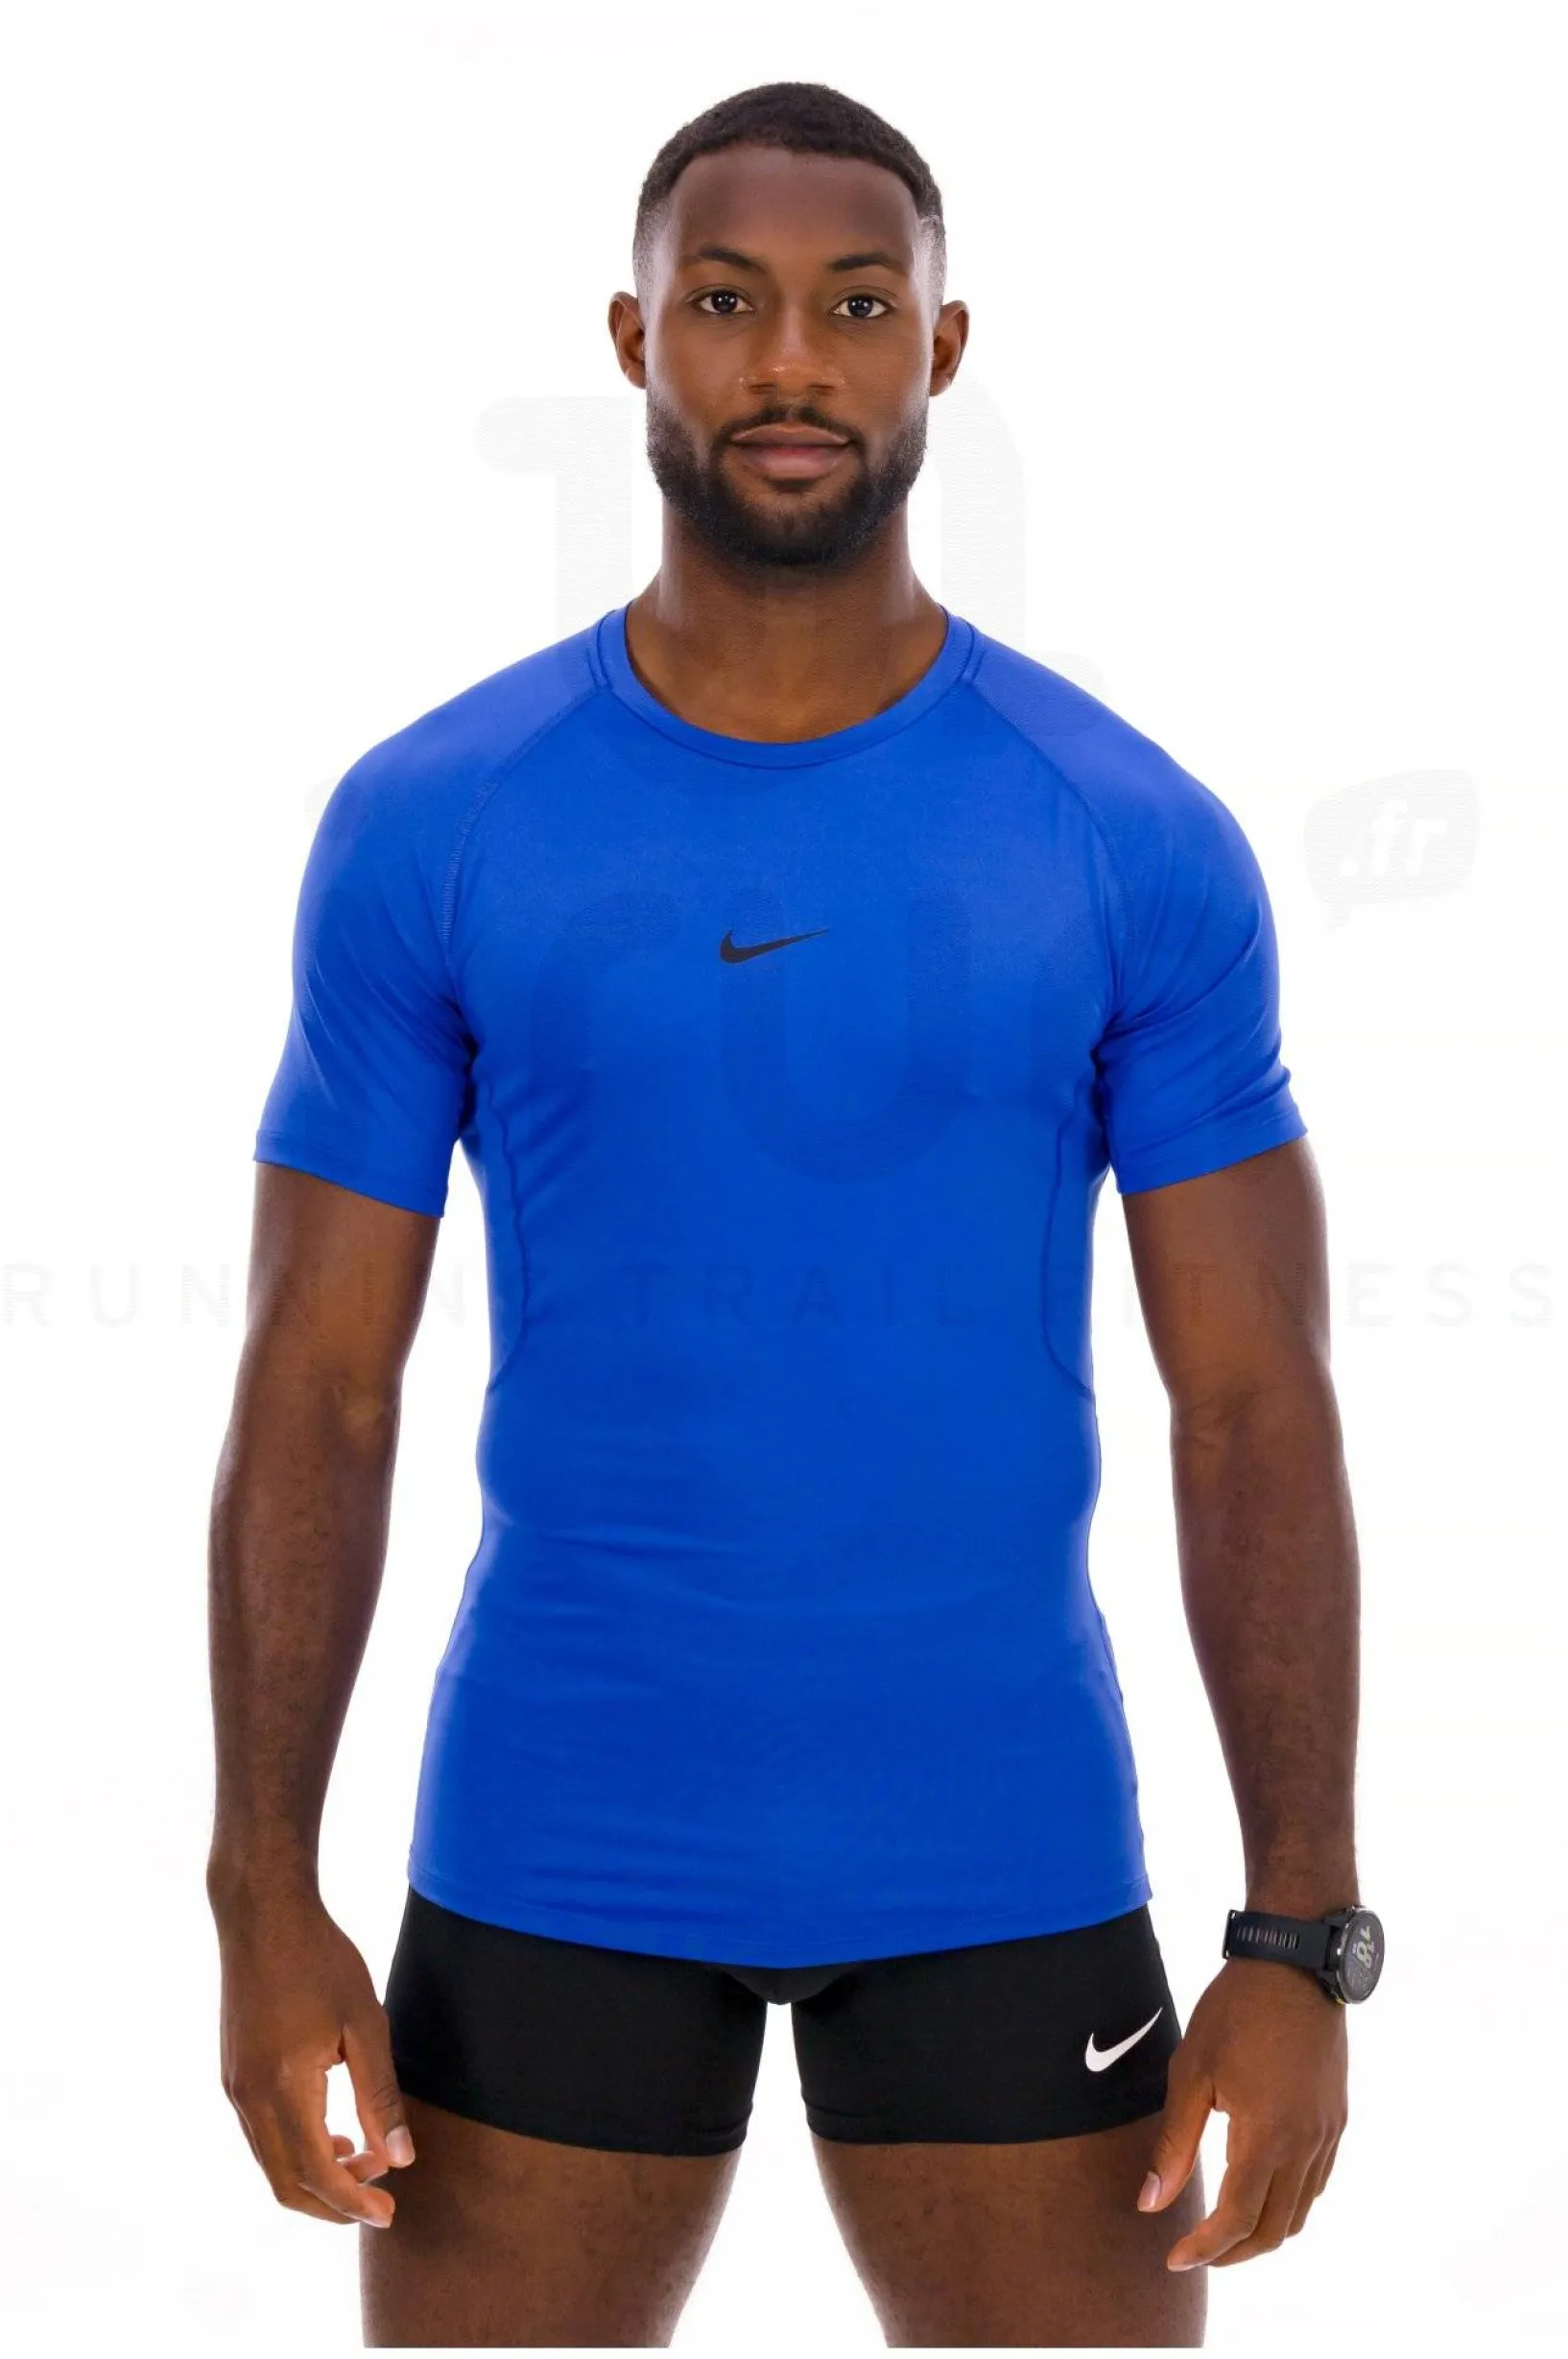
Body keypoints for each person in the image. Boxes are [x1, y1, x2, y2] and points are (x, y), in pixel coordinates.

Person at [207, 80, 1373, 2349]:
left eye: (855, 305)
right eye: (726, 303)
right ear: (632, 336)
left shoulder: (1123, 832)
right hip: (558, 1831)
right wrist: (263, 1887)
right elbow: (317, 1381)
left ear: (941, 346)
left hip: (996, 1840)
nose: (789, 362)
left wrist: (1298, 1934)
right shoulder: (438, 818)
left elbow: (1253, 1400)